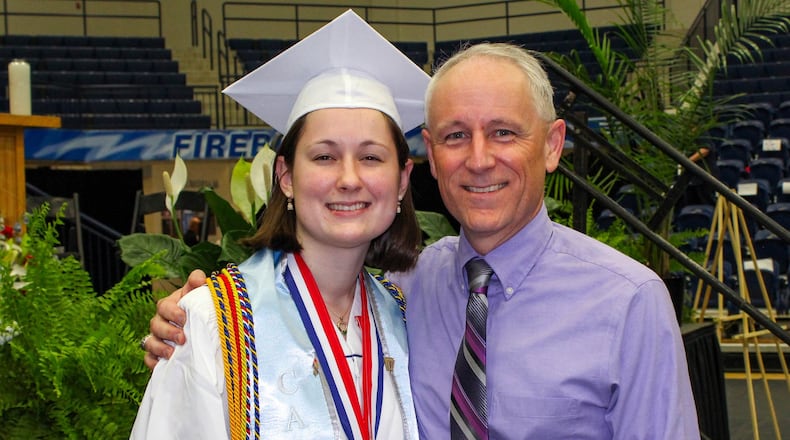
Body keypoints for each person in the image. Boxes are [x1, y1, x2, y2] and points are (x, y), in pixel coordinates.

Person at [145, 42, 700, 438]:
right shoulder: (407, 290)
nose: (479, 159)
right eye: (457, 136)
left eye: (504, 132)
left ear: (553, 145)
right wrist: (197, 316)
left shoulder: (628, 303)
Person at [131, 10, 429, 439]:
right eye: (324, 156)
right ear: (286, 177)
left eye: (371, 157)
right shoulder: (215, 322)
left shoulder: (405, 317)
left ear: (401, 180)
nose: (349, 179)